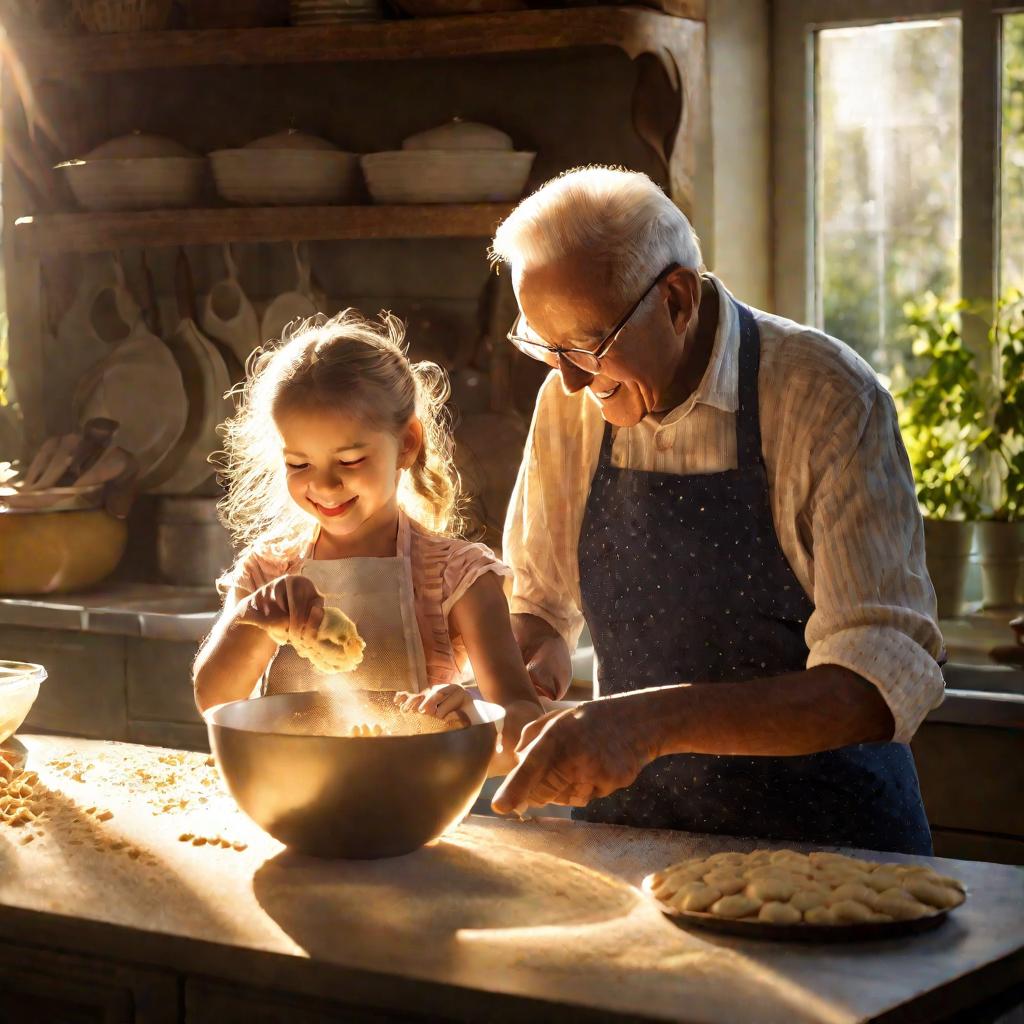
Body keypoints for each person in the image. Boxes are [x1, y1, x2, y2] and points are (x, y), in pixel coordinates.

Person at [489, 167, 944, 854]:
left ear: (675, 300)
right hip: (640, 844)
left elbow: (873, 683)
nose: (573, 380)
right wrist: (520, 675)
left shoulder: (826, 397)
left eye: (586, 346)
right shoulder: (571, 398)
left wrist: (646, 724)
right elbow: (540, 608)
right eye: (546, 348)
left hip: (834, 850)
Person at [193, 311, 542, 768]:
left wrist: (474, 714)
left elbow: (523, 725)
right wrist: (258, 621)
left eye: (351, 459)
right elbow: (213, 699)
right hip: (289, 796)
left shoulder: (458, 577)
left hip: (416, 808)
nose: (324, 485)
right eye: (299, 464)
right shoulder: (267, 571)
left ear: (408, 443)